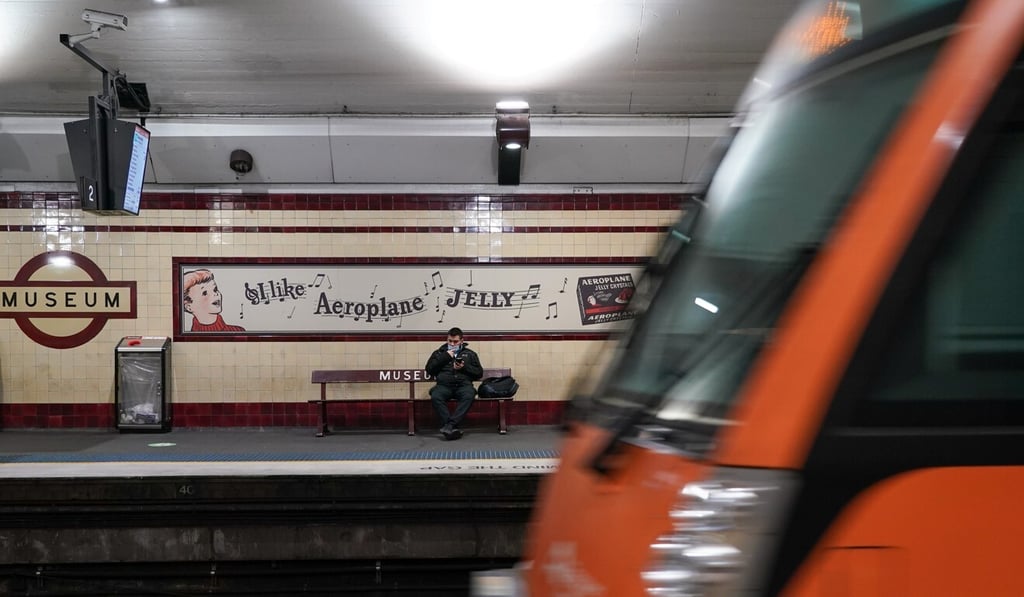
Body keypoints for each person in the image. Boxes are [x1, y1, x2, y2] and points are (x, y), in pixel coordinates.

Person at [424, 326, 483, 440]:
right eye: (450, 341)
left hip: (463, 386)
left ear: (461, 340)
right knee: (436, 395)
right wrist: (445, 357)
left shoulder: (470, 354)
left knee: (469, 394)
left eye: (455, 341)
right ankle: (451, 426)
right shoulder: (439, 353)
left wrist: (464, 367)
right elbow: (429, 370)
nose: (452, 343)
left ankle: (449, 425)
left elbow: (479, 373)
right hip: (444, 386)